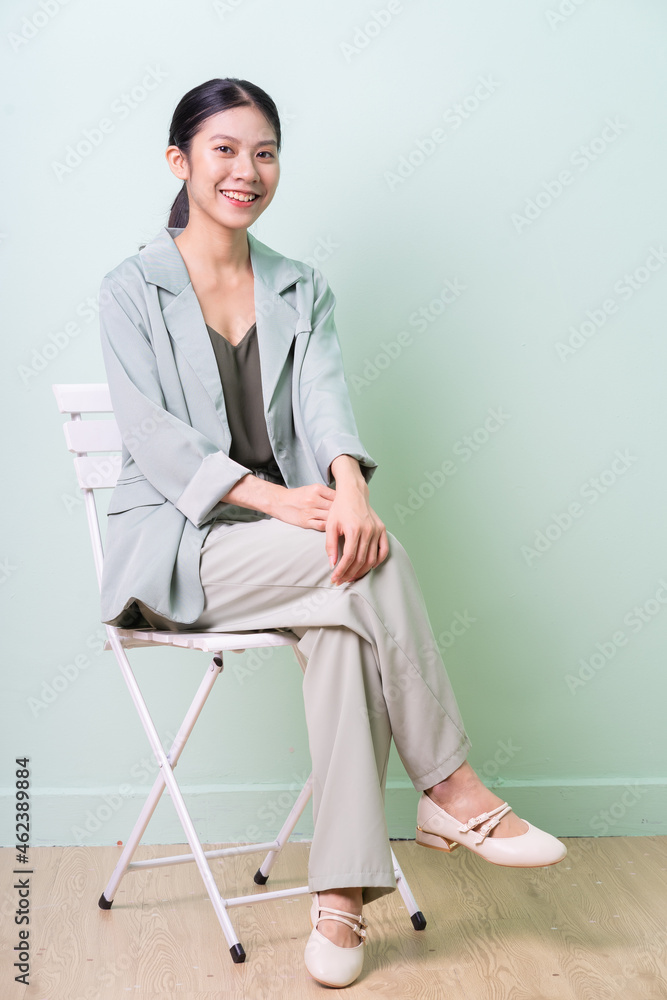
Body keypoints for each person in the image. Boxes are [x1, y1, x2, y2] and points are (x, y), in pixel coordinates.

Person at [98, 77, 567, 989]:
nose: (246, 170)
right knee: (360, 566)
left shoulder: (297, 287)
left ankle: (341, 904)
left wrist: (347, 486)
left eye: (264, 151)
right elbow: (152, 437)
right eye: (224, 149)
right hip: (177, 547)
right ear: (180, 162)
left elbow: (323, 404)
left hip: (292, 554)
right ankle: (451, 788)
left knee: (348, 601)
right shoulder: (131, 290)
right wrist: (282, 504)